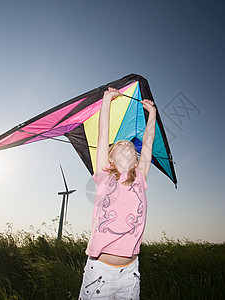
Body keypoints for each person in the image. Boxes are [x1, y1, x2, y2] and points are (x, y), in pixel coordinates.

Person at [78, 87, 156, 299]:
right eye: (121, 144)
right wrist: (107, 99)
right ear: (111, 158)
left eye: (130, 145)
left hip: (130, 274)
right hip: (100, 274)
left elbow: (147, 143)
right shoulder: (104, 175)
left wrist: (152, 114)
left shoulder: (140, 177)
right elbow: (104, 134)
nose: (127, 145)